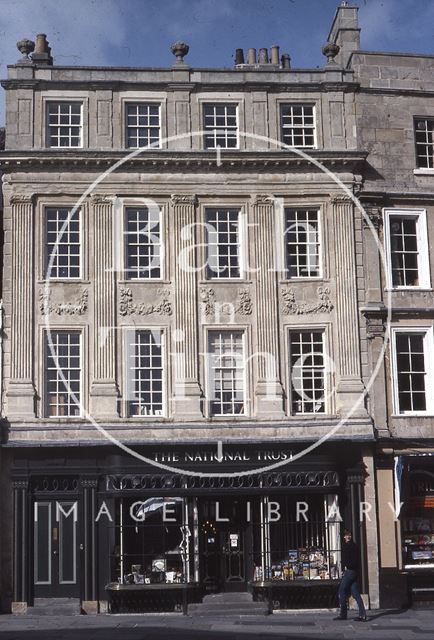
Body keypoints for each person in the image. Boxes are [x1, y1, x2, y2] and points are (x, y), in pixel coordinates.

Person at [334, 529, 367, 622]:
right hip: (354, 571)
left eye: (348, 535)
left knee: (341, 591)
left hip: (350, 571)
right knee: (355, 593)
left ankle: (343, 614)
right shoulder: (355, 546)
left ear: (350, 536)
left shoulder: (347, 546)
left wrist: (345, 567)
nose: (347, 536)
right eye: (346, 535)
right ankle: (362, 614)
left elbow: (347, 560)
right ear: (344, 536)